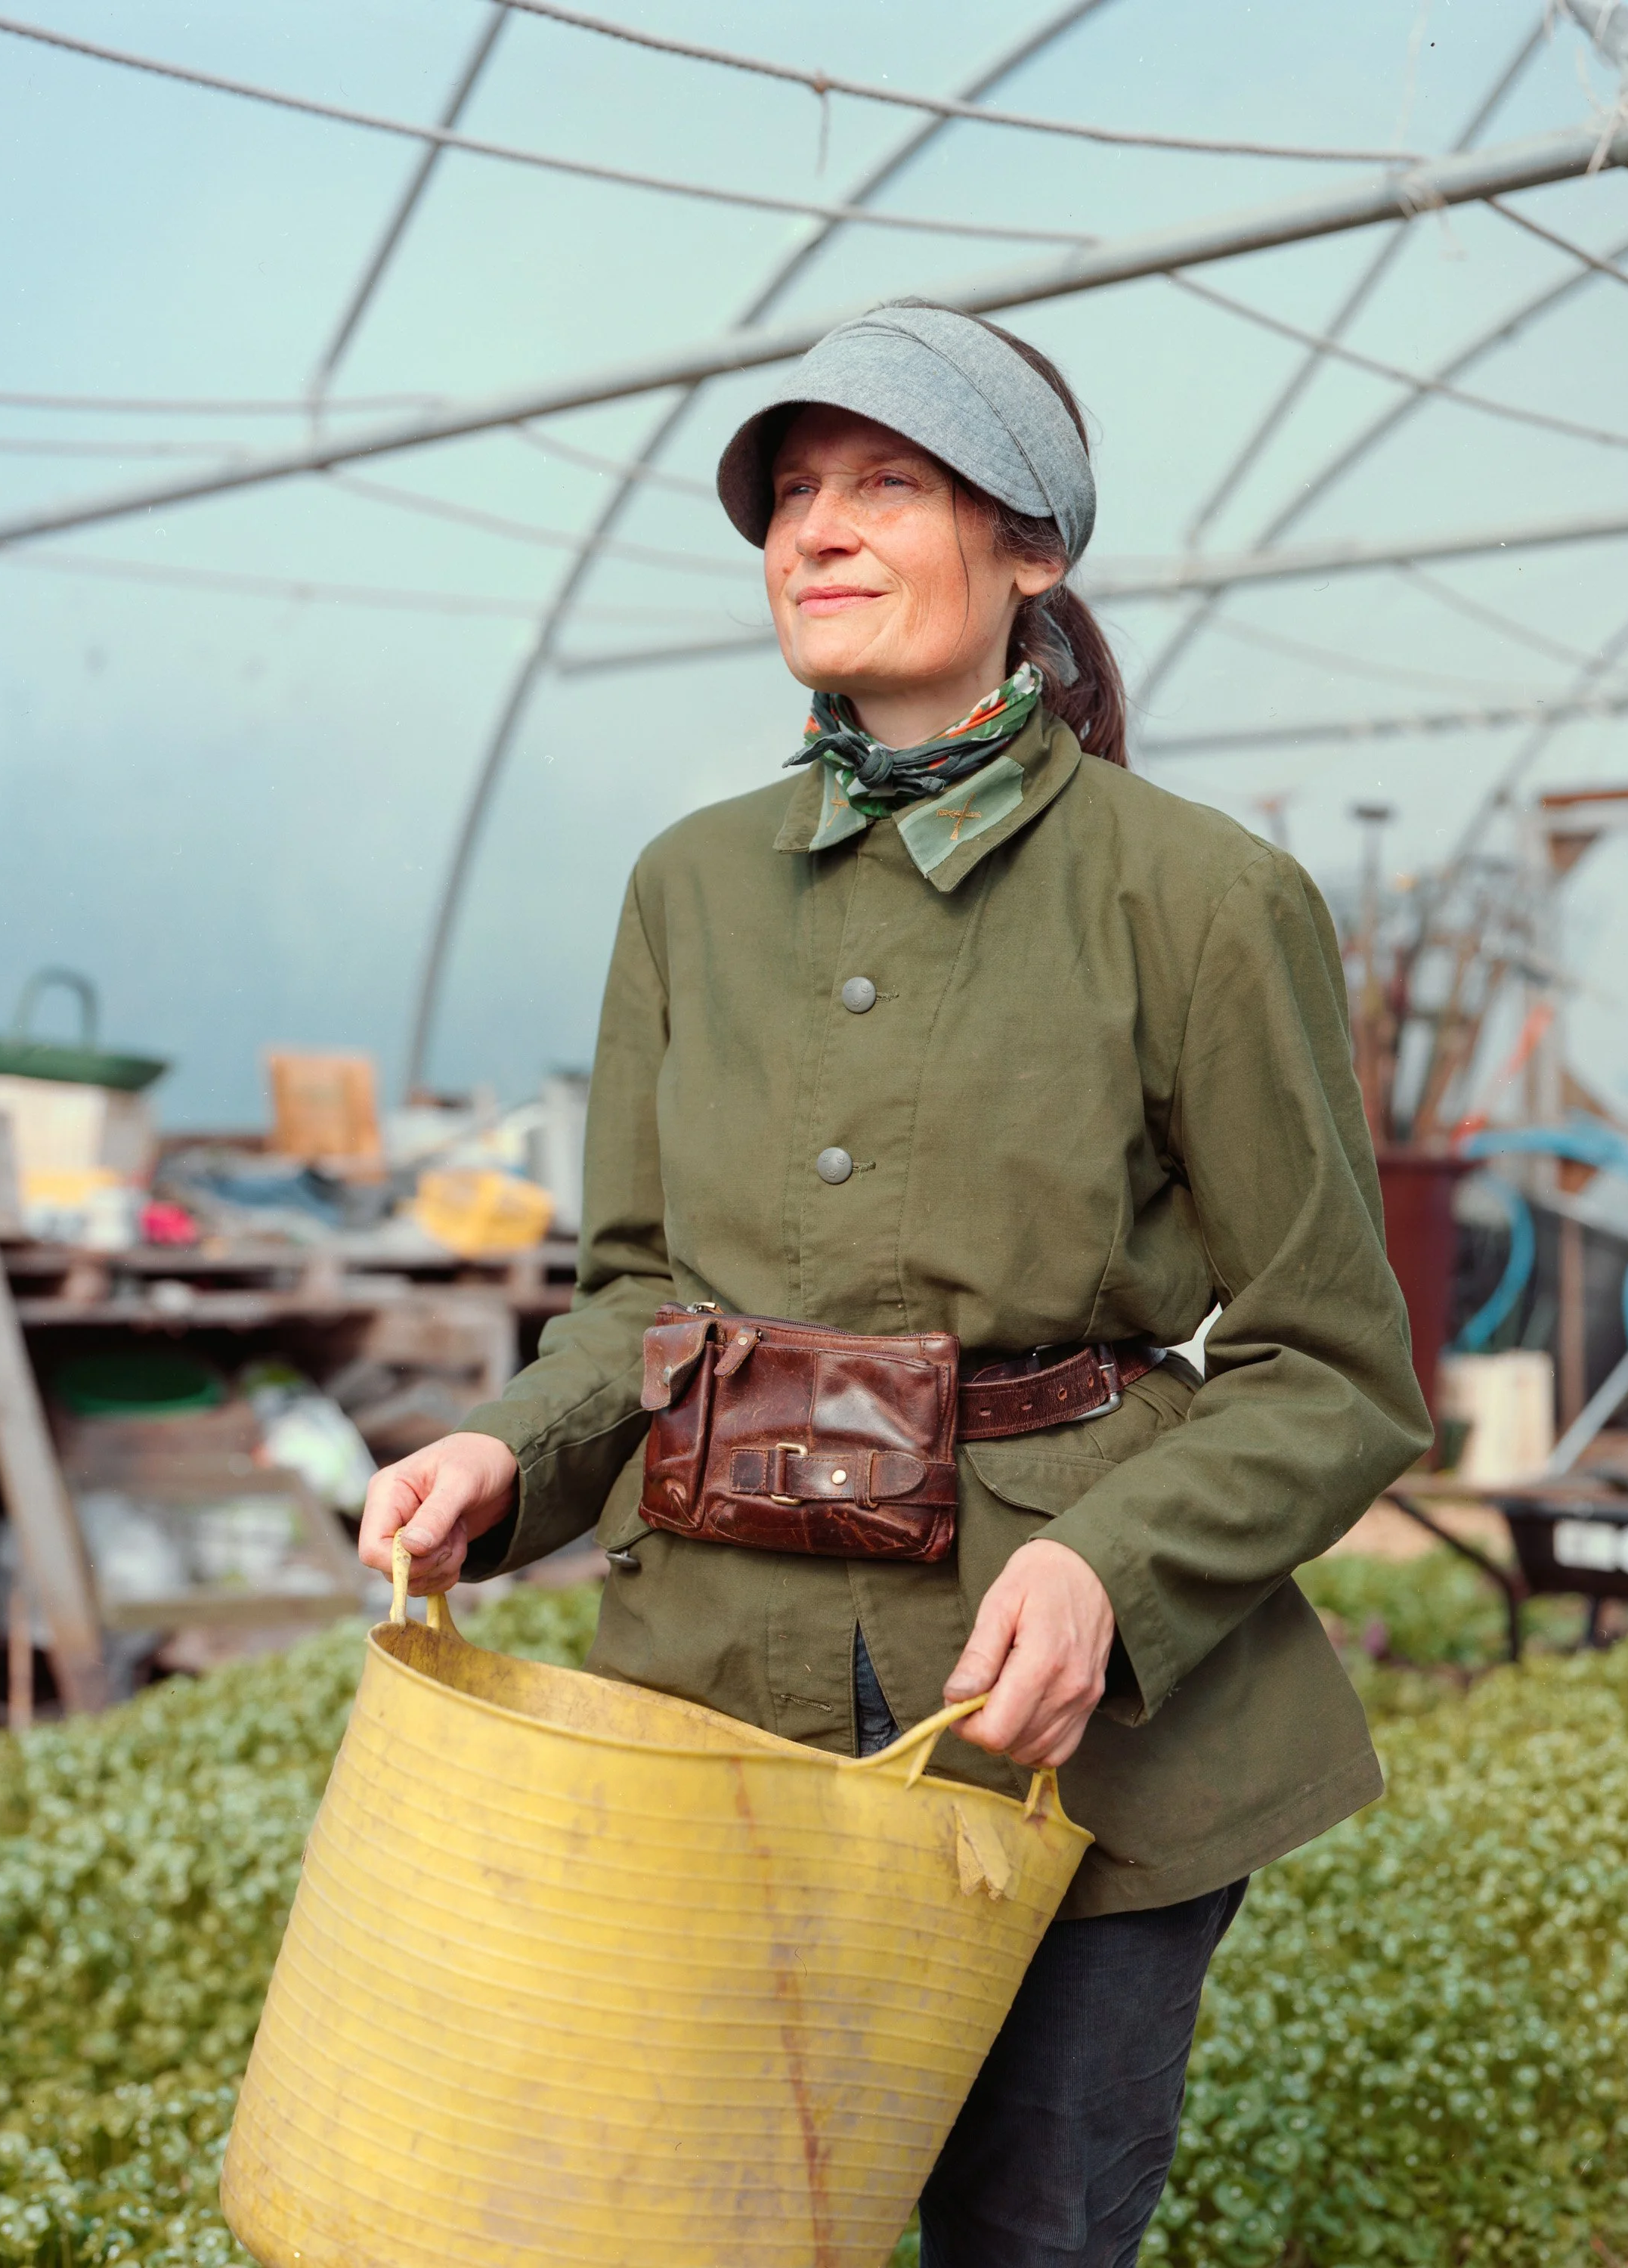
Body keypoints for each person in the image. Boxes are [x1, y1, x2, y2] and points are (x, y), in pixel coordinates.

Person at [359, 301, 1431, 2268]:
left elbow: (1331, 1364)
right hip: (719, 1694)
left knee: (1025, 2236)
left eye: (886, 484)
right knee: (712, 2224)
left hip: (1061, 1726)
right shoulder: (688, 888)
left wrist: (1110, 1568)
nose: (813, 532)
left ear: (1030, 546)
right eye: (789, 496)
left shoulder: (1197, 897)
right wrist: (502, 1454)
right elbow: (631, 1298)